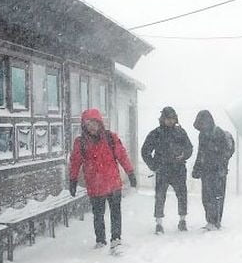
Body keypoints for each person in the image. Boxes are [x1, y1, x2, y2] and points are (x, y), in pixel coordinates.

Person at [68, 108, 137, 250]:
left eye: (94, 123)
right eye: (88, 124)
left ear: (100, 123)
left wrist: (130, 172)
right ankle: (100, 240)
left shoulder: (111, 138)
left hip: (113, 183)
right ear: (84, 126)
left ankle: (116, 238)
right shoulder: (80, 143)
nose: (91, 127)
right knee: (98, 215)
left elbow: (122, 156)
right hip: (95, 185)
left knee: (115, 212)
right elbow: (75, 162)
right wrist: (73, 180)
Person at [141, 106, 193, 234]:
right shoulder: (156, 133)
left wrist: (184, 155)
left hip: (179, 169)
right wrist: (154, 165)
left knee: (182, 195)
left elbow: (189, 148)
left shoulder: (181, 132)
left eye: (173, 118)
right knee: (160, 196)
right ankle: (159, 223)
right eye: (168, 118)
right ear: (162, 119)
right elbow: (145, 151)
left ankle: (182, 220)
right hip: (162, 170)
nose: (170, 121)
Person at [192, 110, 235, 230]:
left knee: (216, 197)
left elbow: (224, 153)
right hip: (207, 171)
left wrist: (217, 161)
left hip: (218, 171)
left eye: (201, 124)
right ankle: (211, 221)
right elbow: (200, 152)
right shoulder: (202, 135)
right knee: (206, 197)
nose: (200, 128)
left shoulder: (218, 133)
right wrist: (197, 168)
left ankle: (215, 222)